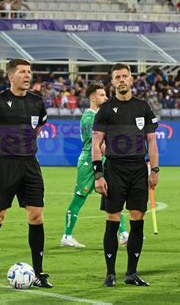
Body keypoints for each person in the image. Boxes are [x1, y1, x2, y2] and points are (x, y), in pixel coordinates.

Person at [0, 58, 52, 289]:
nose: (28, 75)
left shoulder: (37, 102)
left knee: (36, 216)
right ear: (11, 77)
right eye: (22, 72)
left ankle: (38, 273)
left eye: (29, 72)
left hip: (30, 164)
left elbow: (38, 129)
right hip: (5, 165)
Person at [92, 63, 159, 287]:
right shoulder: (105, 109)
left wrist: (155, 170)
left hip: (139, 169)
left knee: (137, 220)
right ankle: (110, 274)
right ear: (112, 82)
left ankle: (131, 273)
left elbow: (151, 141)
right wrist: (98, 174)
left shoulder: (143, 107)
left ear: (131, 80)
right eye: (117, 77)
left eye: (125, 76)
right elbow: (96, 143)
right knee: (112, 219)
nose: (121, 80)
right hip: (114, 169)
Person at [61, 83, 129, 248]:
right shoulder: (89, 117)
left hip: (104, 160)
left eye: (106, 95)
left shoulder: (100, 117)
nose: (105, 98)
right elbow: (97, 145)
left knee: (113, 196)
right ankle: (67, 236)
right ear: (92, 97)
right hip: (89, 161)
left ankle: (124, 234)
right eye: (101, 95)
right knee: (80, 197)